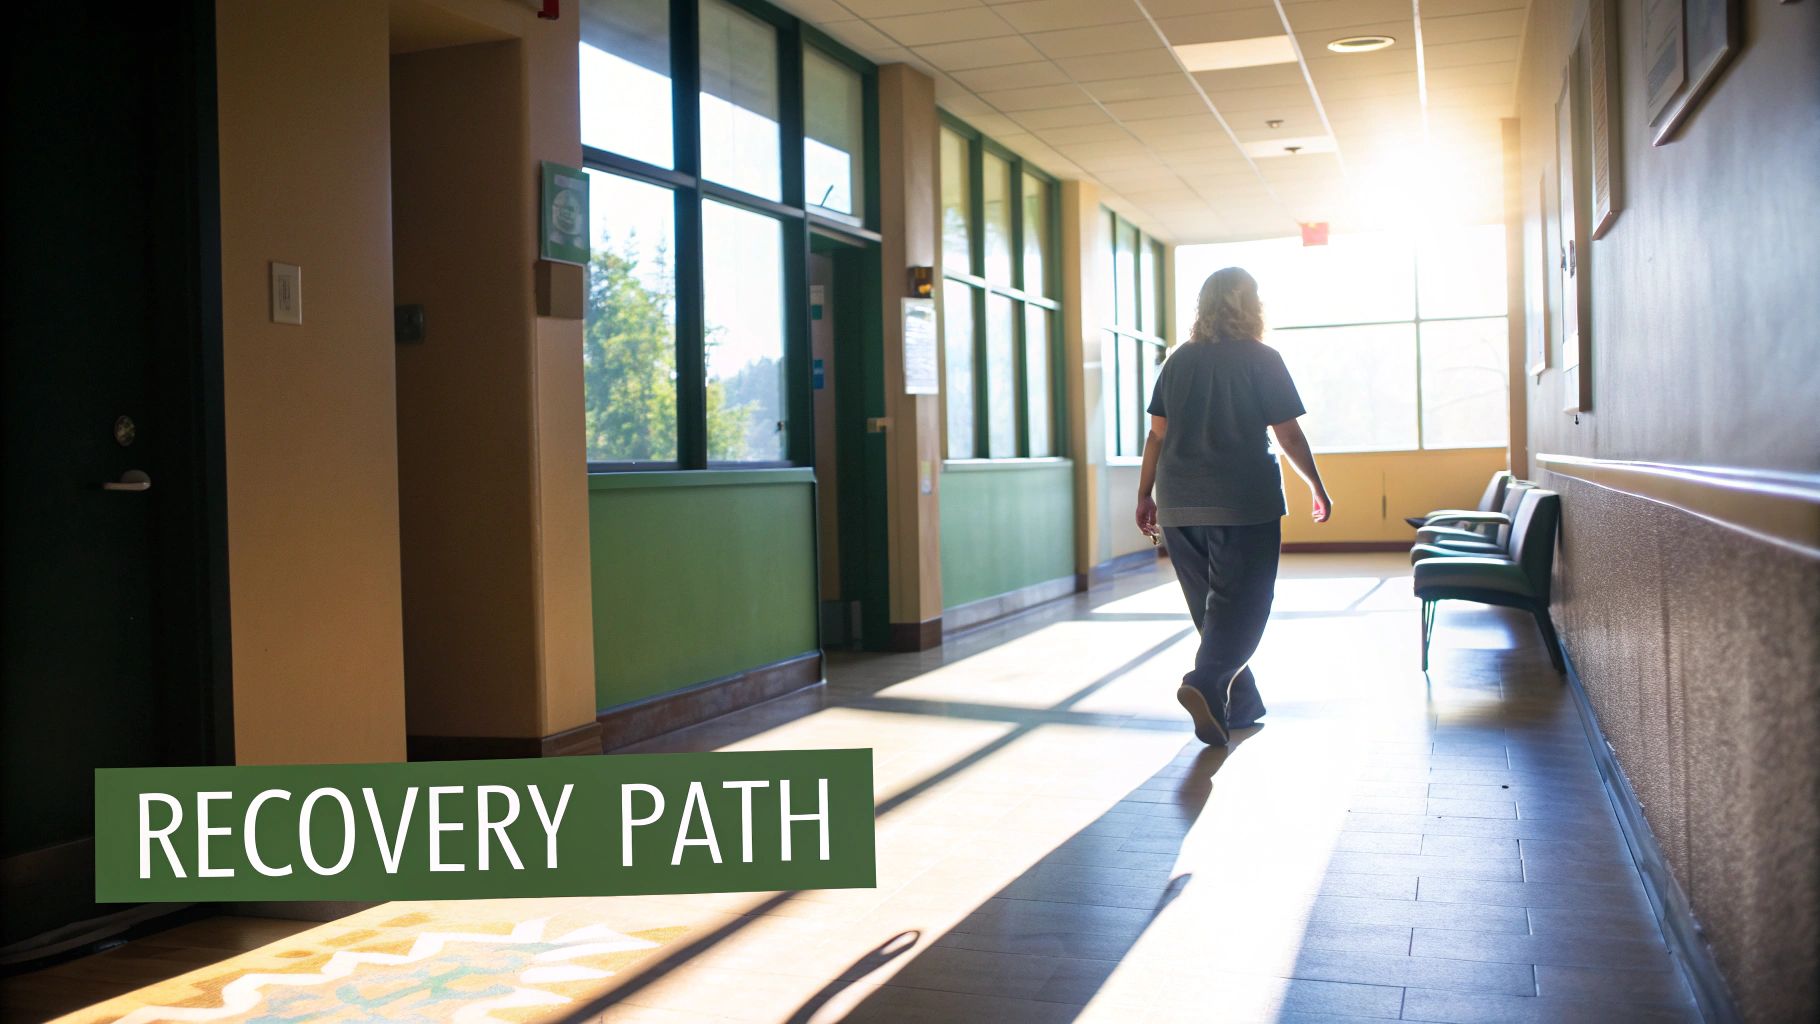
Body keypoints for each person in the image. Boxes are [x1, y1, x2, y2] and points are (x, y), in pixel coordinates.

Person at [1135, 267, 1331, 747]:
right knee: (1245, 607)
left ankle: (1240, 704)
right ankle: (1205, 682)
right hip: (1243, 502)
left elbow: (1156, 434)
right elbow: (1288, 434)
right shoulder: (1262, 358)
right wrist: (1317, 486)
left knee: (1211, 610)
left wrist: (1144, 494)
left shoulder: (1178, 362)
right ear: (1251, 304)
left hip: (1180, 503)